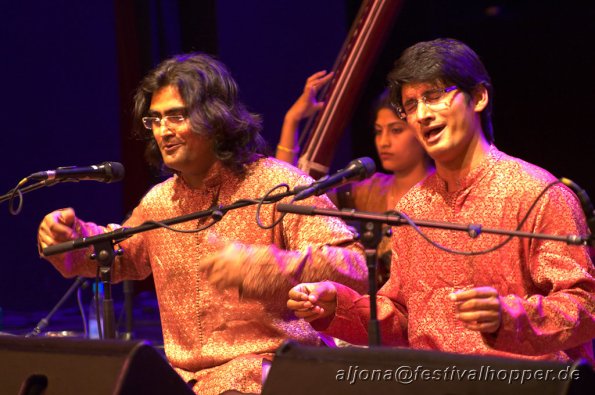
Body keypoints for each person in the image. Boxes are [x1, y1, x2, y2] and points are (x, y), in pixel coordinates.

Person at [37, 52, 367, 395]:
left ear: (216, 116)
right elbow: (119, 253)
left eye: (177, 116)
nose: (164, 131)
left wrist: (267, 267)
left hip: (268, 373)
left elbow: (356, 266)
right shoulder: (161, 202)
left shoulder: (277, 184)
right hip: (181, 382)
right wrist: (72, 240)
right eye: (156, 120)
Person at [287, 38, 595, 364]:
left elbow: (584, 304)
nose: (421, 114)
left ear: (478, 97)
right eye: (410, 104)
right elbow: (404, 316)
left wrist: (508, 316)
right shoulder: (413, 208)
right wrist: (337, 304)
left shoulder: (538, 194)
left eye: (433, 97)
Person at [277, 71, 434, 285]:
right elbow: (292, 199)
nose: (384, 141)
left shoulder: (442, 189)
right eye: (379, 131)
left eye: (396, 130)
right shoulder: (370, 189)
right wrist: (291, 120)